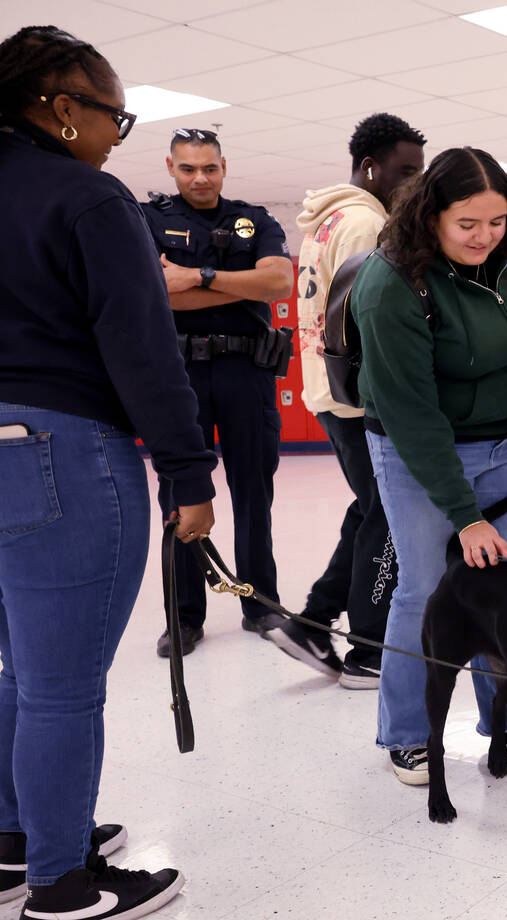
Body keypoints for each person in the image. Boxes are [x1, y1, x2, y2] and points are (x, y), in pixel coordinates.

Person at [0, 25, 217, 918]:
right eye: (113, 118)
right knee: (59, 686)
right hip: (62, 451)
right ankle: (60, 883)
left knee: (16, 669)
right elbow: (141, 347)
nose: (112, 137)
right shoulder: (89, 199)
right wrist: (189, 475)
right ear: (61, 106)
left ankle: (16, 839)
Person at [354, 147, 507, 784]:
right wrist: (466, 517)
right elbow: (413, 417)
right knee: (425, 589)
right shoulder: (390, 286)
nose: (485, 236)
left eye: (497, 221)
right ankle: (410, 733)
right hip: (418, 446)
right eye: (467, 224)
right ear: (431, 216)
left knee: (504, 585)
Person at [265, 113, 426, 689]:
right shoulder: (363, 225)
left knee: (369, 507)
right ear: (370, 167)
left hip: (328, 392)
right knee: (386, 516)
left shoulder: (330, 219)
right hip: (358, 399)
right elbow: (368, 322)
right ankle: (366, 651)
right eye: (406, 173)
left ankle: (312, 620)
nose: (415, 184)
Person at [141, 128, 294, 656]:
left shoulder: (255, 218)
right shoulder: (150, 220)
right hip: (179, 375)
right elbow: (155, 296)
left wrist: (196, 276)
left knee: (255, 491)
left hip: (246, 371)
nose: (200, 179)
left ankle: (261, 604)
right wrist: (234, 281)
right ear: (170, 167)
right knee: (180, 495)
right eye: (188, 169)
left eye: (210, 168)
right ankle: (184, 616)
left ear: (224, 166)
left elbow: (278, 282)